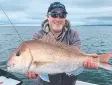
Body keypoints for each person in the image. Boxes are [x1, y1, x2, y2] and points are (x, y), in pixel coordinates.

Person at [25, 2, 112, 85]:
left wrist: (89, 59)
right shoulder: (38, 36)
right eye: (54, 14)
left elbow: (76, 54)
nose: (58, 19)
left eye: (62, 15)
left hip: (68, 81)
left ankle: (100, 60)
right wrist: (34, 70)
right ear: (47, 16)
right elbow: (37, 63)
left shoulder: (73, 34)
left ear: (65, 17)